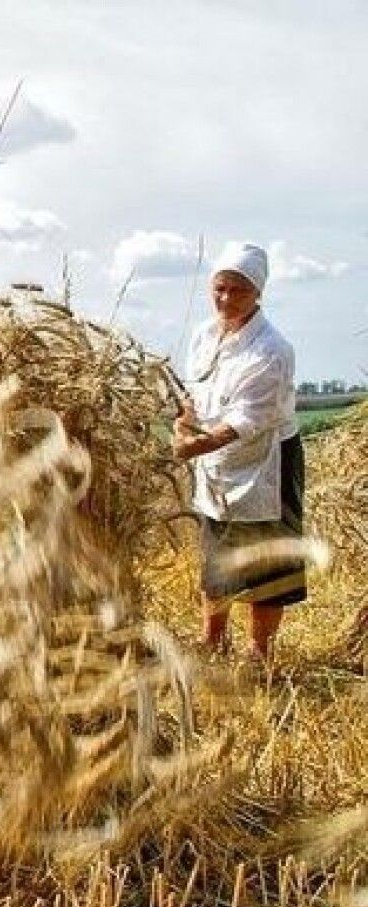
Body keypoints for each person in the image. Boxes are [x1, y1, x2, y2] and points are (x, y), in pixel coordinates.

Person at [173, 241, 305, 662]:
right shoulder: (204, 336)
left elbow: (248, 420)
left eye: (238, 290)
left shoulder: (272, 349)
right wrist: (183, 423)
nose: (226, 299)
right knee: (217, 552)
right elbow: (192, 392)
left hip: (267, 462)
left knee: (266, 558)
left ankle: (259, 651)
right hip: (215, 459)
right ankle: (213, 639)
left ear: (258, 293)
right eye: (220, 288)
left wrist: (192, 447)